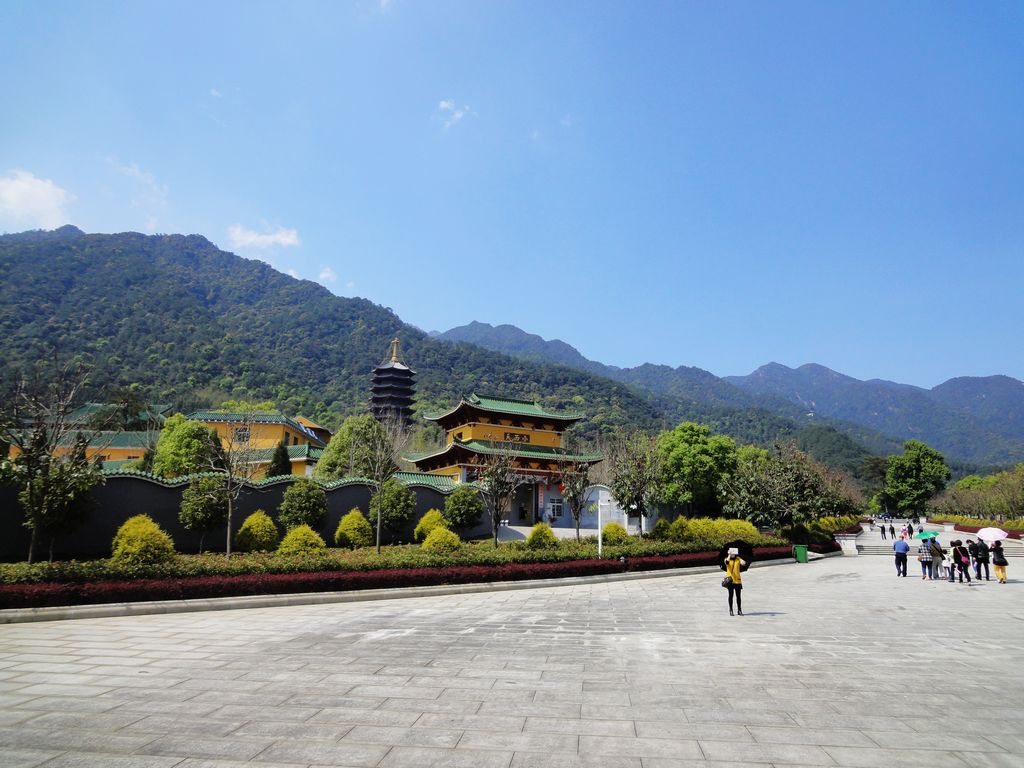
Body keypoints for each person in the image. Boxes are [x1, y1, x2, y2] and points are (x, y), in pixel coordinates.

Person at [724, 547, 746, 616]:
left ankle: (739, 610)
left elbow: (743, 563)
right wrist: (729, 555)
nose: (733, 553)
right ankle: (731, 610)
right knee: (731, 595)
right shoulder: (726, 559)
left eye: (734, 552)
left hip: (737, 580)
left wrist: (743, 562)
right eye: (731, 552)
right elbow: (727, 562)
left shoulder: (738, 559)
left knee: (738, 596)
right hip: (730, 581)